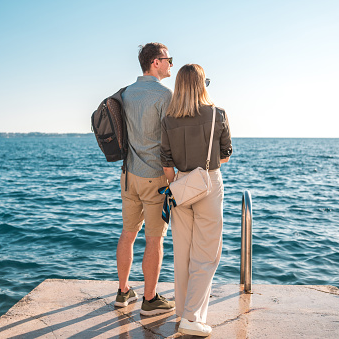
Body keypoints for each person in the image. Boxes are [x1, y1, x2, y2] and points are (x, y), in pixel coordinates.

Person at [160, 64, 232, 336]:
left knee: (183, 254)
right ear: (202, 85)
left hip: (179, 185)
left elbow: (166, 160)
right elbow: (225, 155)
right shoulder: (217, 114)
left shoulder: (168, 119)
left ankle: (184, 312)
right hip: (208, 183)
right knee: (206, 256)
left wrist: (176, 185)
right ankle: (191, 317)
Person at [114, 42, 176, 316]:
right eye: (168, 59)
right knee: (154, 239)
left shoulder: (126, 93)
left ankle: (123, 291)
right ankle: (149, 300)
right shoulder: (165, 95)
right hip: (154, 178)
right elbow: (169, 141)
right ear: (155, 62)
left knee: (128, 233)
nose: (171, 64)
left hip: (128, 176)